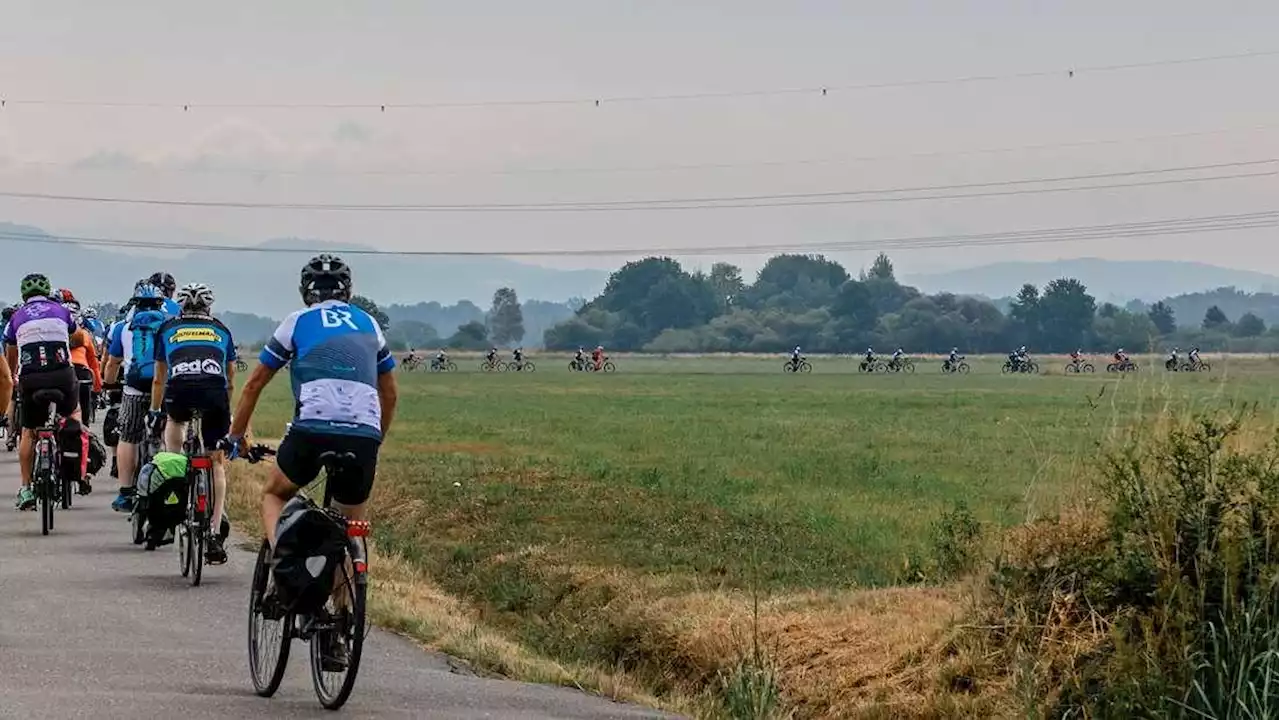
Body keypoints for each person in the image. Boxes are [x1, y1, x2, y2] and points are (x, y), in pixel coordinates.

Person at [223, 254, 397, 666]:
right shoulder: (369, 324)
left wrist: (236, 439)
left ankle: (284, 565)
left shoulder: (297, 322)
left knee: (275, 494)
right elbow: (389, 393)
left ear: (306, 292)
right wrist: (375, 441)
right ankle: (339, 624)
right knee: (347, 526)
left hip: (311, 427)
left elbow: (254, 384)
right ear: (348, 291)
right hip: (364, 435)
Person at [148, 282, 236, 564]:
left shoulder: (168, 328)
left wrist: (154, 411)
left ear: (181, 306)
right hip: (214, 393)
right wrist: (228, 411)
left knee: (174, 426)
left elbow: (159, 378)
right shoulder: (222, 330)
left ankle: (175, 467)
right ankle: (214, 527)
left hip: (180, 390)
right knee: (216, 461)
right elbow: (230, 377)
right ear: (209, 307)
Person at [4, 274, 81, 510]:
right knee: (73, 411)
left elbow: (11, 352)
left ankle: (26, 488)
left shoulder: (16, 317)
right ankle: (75, 462)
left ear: (24, 296)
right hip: (62, 375)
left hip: (31, 378)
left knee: (28, 430)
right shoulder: (61, 310)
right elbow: (76, 336)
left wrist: (16, 376)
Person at [104, 283, 168, 512]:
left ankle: (125, 492)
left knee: (128, 436)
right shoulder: (170, 325)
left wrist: (109, 383)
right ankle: (169, 484)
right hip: (163, 390)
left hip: (134, 388)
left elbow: (113, 363)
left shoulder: (123, 327)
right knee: (169, 434)